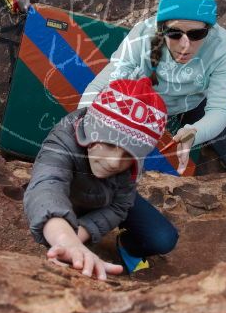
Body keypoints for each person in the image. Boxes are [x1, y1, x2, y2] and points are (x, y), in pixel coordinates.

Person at [76, 0, 226, 270]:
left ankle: (129, 241)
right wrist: (95, 138)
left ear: (211, 28)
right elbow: (99, 91)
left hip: (188, 107)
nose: (184, 45)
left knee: (161, 234)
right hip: (138, 107)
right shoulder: (143, 37)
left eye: (197, 35)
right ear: (161, 27)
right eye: (175, 33)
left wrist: (195, 132)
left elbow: (220, 108)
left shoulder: (223, 46)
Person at [23, 77, 169, 280]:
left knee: (163, 238)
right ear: (91, 132)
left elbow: (120, 206)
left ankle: (126, 245)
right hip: (69, 198)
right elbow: (47, 185)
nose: (114, 163)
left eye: (128, 155)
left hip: (105, 198)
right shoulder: (63, 138)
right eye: (109, 144)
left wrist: (79, 235)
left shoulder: (133, 159)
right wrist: (65, 239)